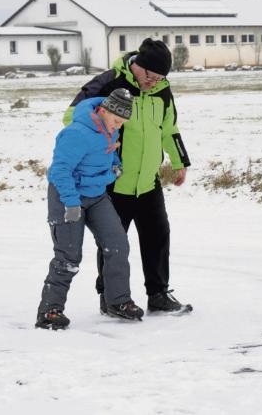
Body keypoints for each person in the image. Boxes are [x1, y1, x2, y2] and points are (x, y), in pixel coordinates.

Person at [62, 38, 193, 315]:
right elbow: (72, 115)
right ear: (138, 65)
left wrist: (180, 161)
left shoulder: (162, 91)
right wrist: (100, 137)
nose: (152, 82)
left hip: (147, 181)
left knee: (158, 237)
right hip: (113, 181)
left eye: (159, 78)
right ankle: (108, 297)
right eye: (149, 75)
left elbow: (169, 128)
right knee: (112, 244)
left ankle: (158, 294)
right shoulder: (109, 82)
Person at [35, 88, 145, 330]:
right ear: (103, 111)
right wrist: (71, 203)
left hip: (96, 195)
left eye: (122, 123)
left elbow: (107, 155)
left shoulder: (108, 130)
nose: (118, 127)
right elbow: (60, 171)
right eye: (116, 121)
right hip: (67, 197)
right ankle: (50, 311)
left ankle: (118, 301)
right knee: (69, 256)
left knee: (117, 244)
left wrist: (116, 166)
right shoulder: (76, 133)